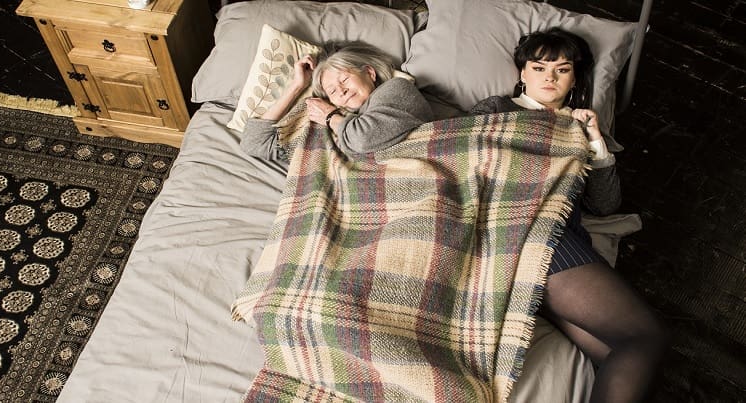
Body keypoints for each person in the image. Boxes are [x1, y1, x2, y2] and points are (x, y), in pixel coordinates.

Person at [471, 28, 668, 403]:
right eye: (539, 67)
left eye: (562, 70)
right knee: (646, 337)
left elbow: (605, 205)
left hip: (561, 239)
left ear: (574, 79)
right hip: (530, 230)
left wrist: (594, 139)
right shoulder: (497, 109)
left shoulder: (579, 126)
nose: (550, 77)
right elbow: (464, 158)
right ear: (522, 73)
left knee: (618, 354)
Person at [240, 41, 433, 160]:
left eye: (345, 79)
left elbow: (362, 138)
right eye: (332, 90)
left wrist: (330, 116)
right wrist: (297, 86)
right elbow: (254, 143)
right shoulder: (326, 120)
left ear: (369, 72)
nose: (341, 91)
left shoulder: (397, 88)